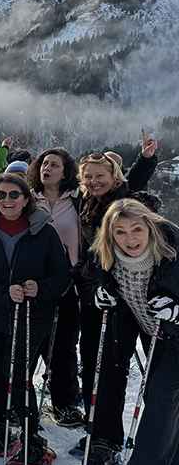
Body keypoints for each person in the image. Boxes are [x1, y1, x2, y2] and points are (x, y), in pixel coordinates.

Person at [0, 173, 70, 465]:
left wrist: (41, 289)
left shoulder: (44, 231)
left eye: (14, 195)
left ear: (26, 199)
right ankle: (0, 423)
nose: (7, 200)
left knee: (20, 368)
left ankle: (30, 432)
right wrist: (1, 292)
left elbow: (61, 275)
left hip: (32, 313)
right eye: (1, 195)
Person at [83, 199, 179, 465]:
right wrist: (101, 292)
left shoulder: (171, 254)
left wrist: (177, 311)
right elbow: (89, 275)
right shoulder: (107, 257)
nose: (130, 238)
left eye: (137, 229)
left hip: (173, 331)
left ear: (151, 227)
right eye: (120, 231)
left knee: (162, 397)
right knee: (162, 400)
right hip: (160, 337)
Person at [73, 139, 159, 437]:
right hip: (99, 294)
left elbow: (131, 184)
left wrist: (146, 161)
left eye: (100, 176)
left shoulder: (125, 201)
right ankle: (100, 433)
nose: (94, 181)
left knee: (151, 372)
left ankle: (159, 441)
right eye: (88, 177)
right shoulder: (84, 202)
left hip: (136, 294)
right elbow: (92, 256)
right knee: (99, 366)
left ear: (114, 177)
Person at [26, 147, 84, 426]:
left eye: (54, 165)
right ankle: (20, 402)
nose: (47, 168)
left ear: (66, 172)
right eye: (44, 163)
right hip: (32, 281)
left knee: (62, 345)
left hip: (69, 281)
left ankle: (65, 403)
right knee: (28, 342)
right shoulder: (26, 198)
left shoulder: (79, 200)